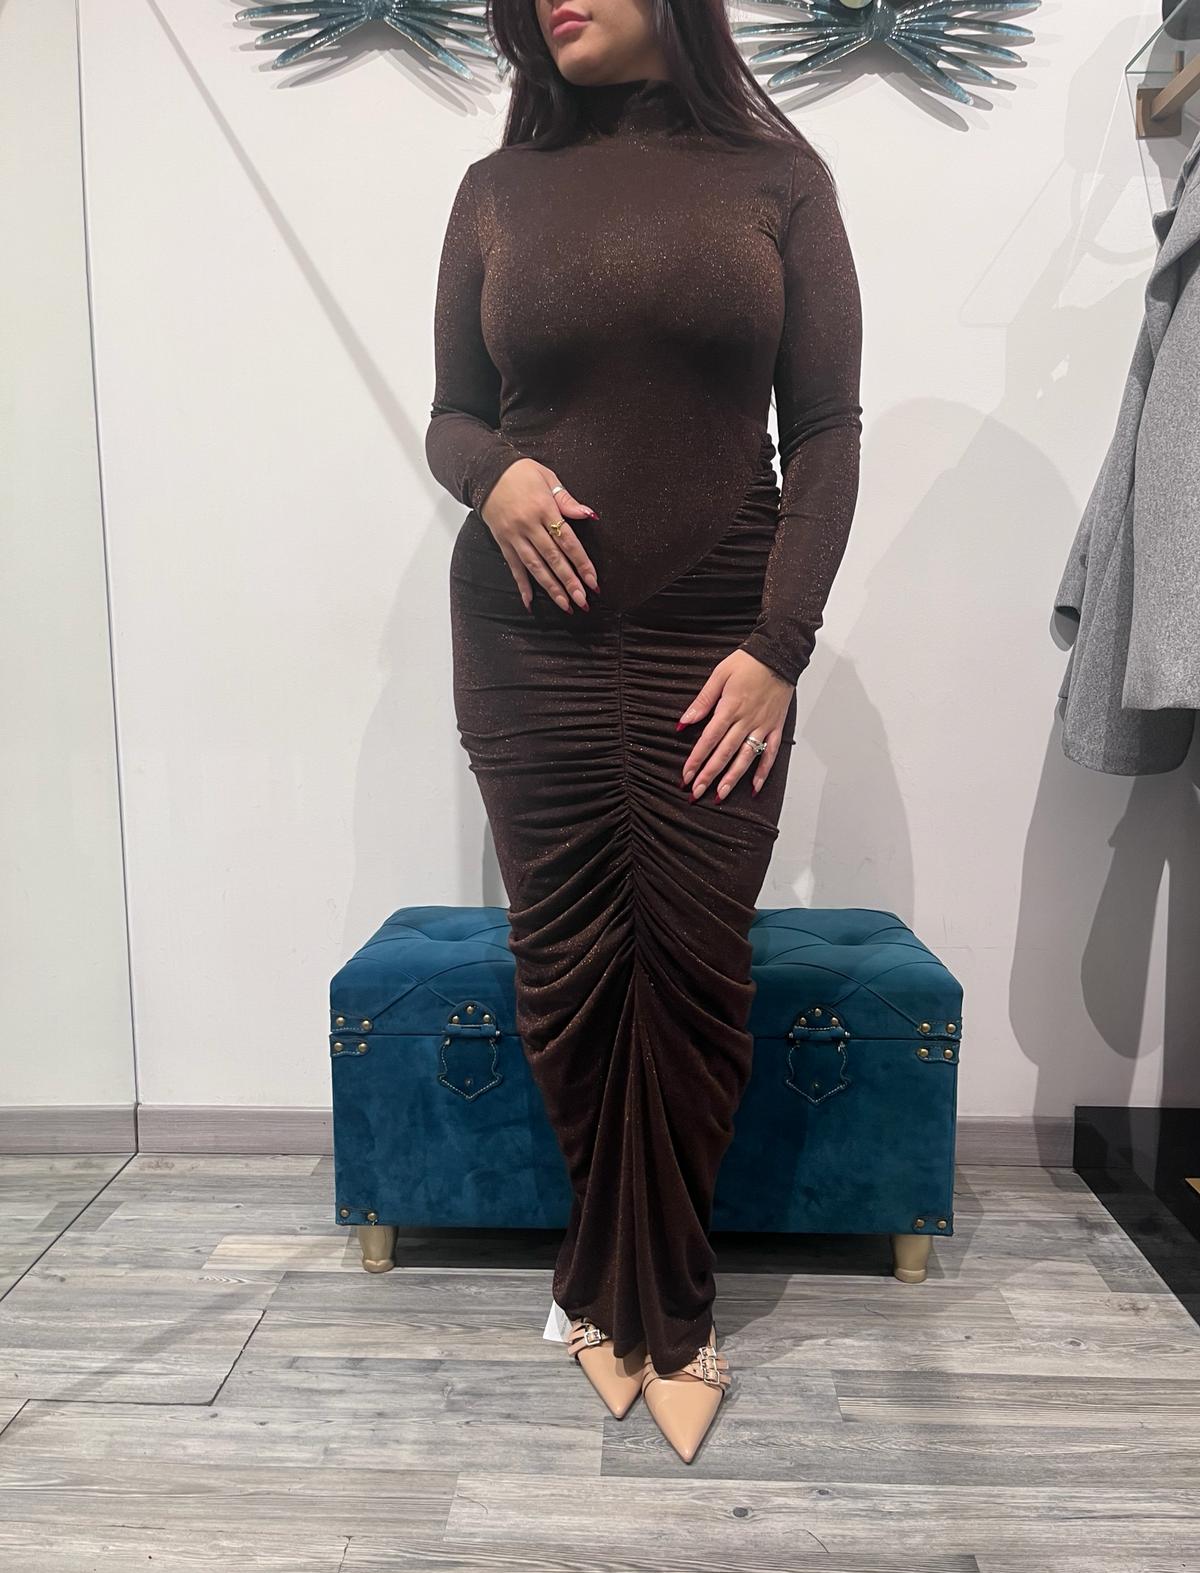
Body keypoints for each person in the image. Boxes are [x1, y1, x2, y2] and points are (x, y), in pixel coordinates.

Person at [424, 0, 862, 1462]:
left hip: (718, 643)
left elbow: (829, 429)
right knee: (567, 974)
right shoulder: (496, 189)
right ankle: (603, 1289)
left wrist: (779, 648)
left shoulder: (780, 180)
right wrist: (489, 478)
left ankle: (669, 1310)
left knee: (691, 971)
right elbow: (451, 414)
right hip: (522, 634)